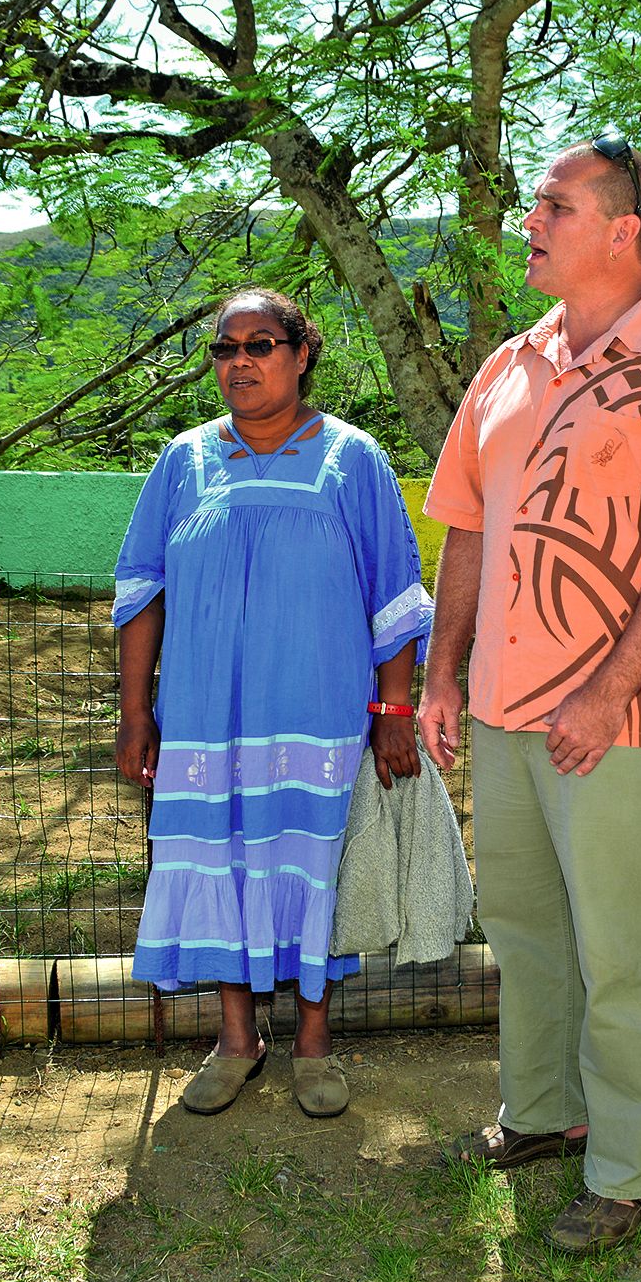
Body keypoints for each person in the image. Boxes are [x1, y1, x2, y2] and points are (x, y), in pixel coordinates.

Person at [417, 129, 641, 1254]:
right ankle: (542, 1114)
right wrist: (442, 674)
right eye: (534, 204)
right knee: (525, 931)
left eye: (552, 205)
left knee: (624, 953)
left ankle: (626, 1170)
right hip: (505, 713)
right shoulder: (508, 365)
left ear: (622, 231)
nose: (530, 221)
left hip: (621, 723)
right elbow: (465, 522)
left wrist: (606, 694)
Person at [112, 287, 431, 1120]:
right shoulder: (183, 461)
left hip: (318, 712)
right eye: (225, 348)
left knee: (308, 862)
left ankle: (315, 1043)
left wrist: (394, 712)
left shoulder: (352, 458)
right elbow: (141, 591)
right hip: (204, 716)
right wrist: (136, 712)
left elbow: (392, 594)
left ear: (300, 354)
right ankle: (236, 1038)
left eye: (260, 343)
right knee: (219, 856)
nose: (240, 361)